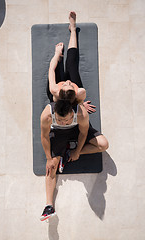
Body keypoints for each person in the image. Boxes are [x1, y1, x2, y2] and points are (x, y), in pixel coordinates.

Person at [40, 11, 109, 221]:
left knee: (72, 64)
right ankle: (48, 205)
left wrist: (77, 151)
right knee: (51, 166)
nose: (68, 82)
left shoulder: (79, 100)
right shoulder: (52, 98)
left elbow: (83, 133)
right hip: (60, 125)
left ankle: (72, 29)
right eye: (60, 120)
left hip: (76, 108)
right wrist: (49, 158)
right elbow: (44, 137)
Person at [46, 11, 96, 114]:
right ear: (75, 93)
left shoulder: (54, 89)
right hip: (71, 100)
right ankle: (73, 30)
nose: (68, 81)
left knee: (58, 65)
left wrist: (57, 54)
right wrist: (82, 105)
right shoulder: (80, 91)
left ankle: (60, 57)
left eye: (65, 85)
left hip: (59, 96)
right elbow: (79, 100)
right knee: (71, 63)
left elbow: (51, 68)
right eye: (71, 85)